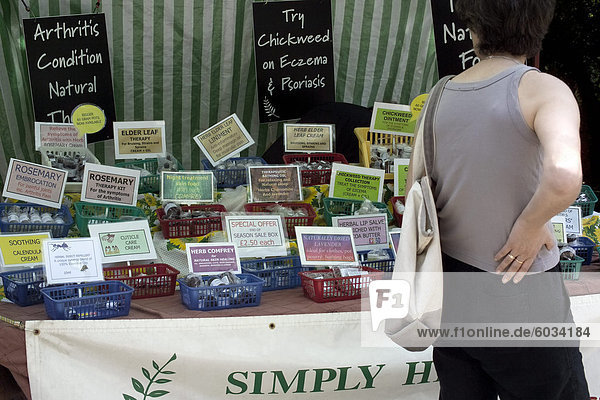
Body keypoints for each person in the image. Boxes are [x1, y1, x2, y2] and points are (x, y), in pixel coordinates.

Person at [420, 0, 590, 398]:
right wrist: (531, 224)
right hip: (521, 289)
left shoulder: (439, 95)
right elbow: (565, 177)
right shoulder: (545, 89)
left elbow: (420, 189)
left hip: (449, 292)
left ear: (473, 29)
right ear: (538, 29)